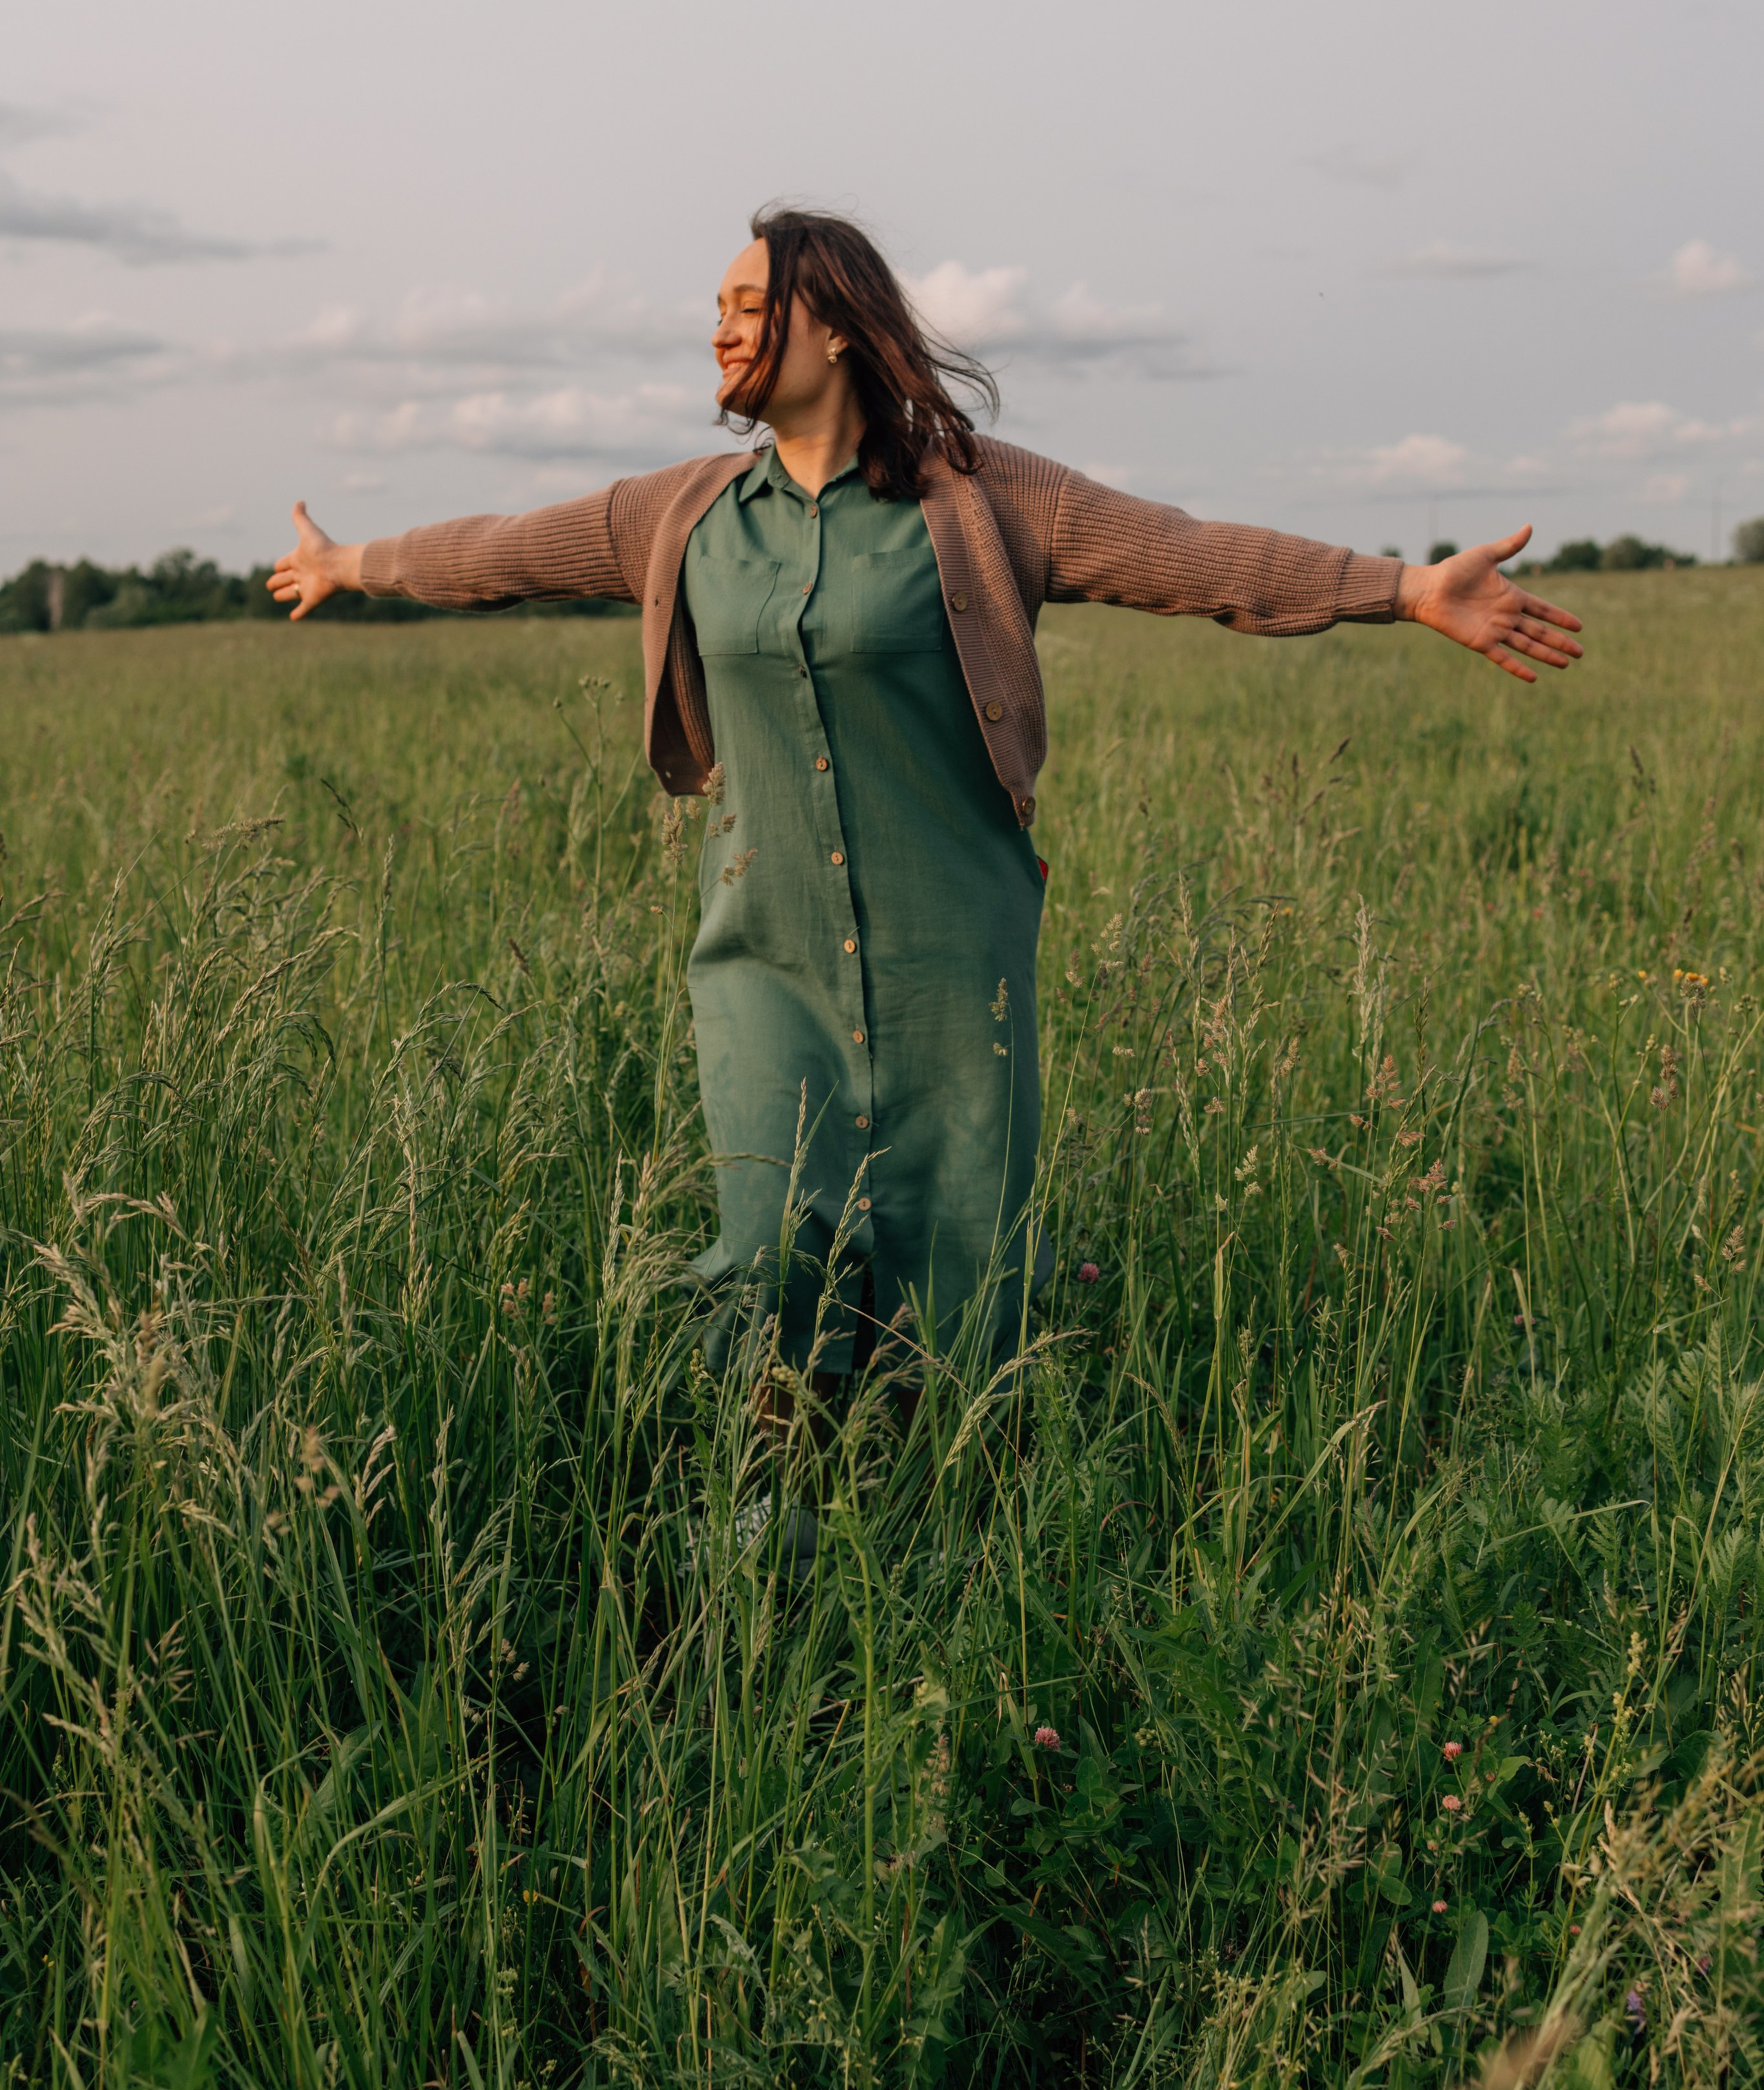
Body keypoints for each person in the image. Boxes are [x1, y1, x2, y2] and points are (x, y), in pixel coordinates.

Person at [269, 204, 1581, 1411]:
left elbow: (1195, 556)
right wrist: (353, 563)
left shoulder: (990, 501)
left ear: (833, 323)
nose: (716, 327)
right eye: (715, 307)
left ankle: (959, 1493)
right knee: (772, 1234)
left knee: (961, 1238)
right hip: (760, 941)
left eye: (745, 302)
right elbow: (500, 551)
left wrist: (1405, 588)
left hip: (953, 938)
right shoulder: (678, 515)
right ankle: (771, 1500)